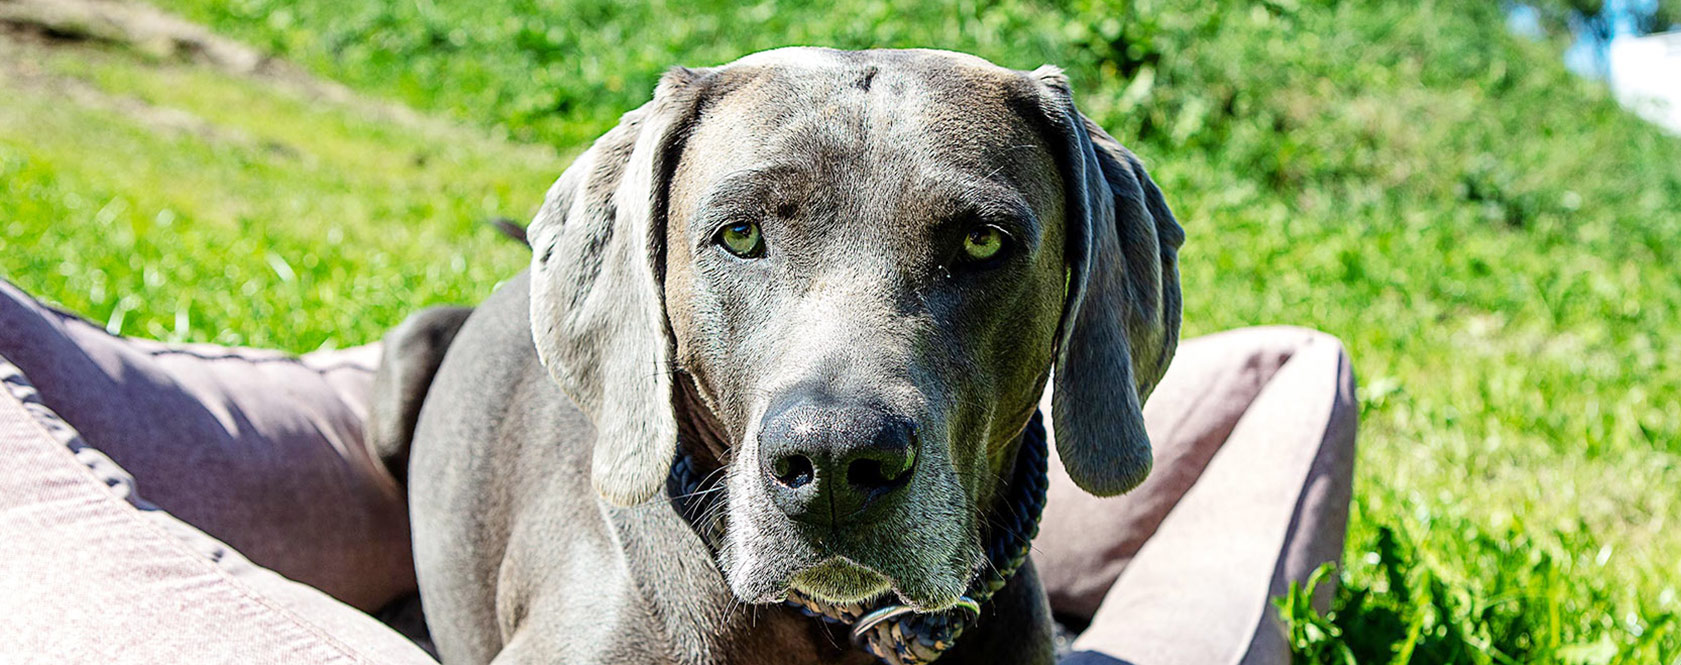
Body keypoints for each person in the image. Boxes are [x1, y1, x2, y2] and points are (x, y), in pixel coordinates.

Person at [0, 279, 1355, 665]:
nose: (838, 423)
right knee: (411, 368)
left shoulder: (996, 625)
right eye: (745, 237)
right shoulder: (624, 625)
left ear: (1078, 280)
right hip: (447, 390)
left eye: (979, 250)